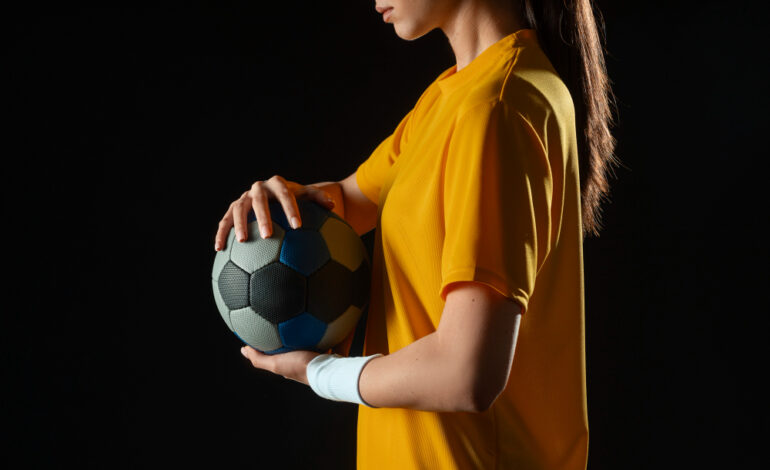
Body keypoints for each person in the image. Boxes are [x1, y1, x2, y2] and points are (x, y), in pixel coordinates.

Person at [214, 0, 617, 468]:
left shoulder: (497, 107)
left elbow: (467, 372)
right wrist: (274, 200)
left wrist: (320, 374)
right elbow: (347, 203)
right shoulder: (456, 96)